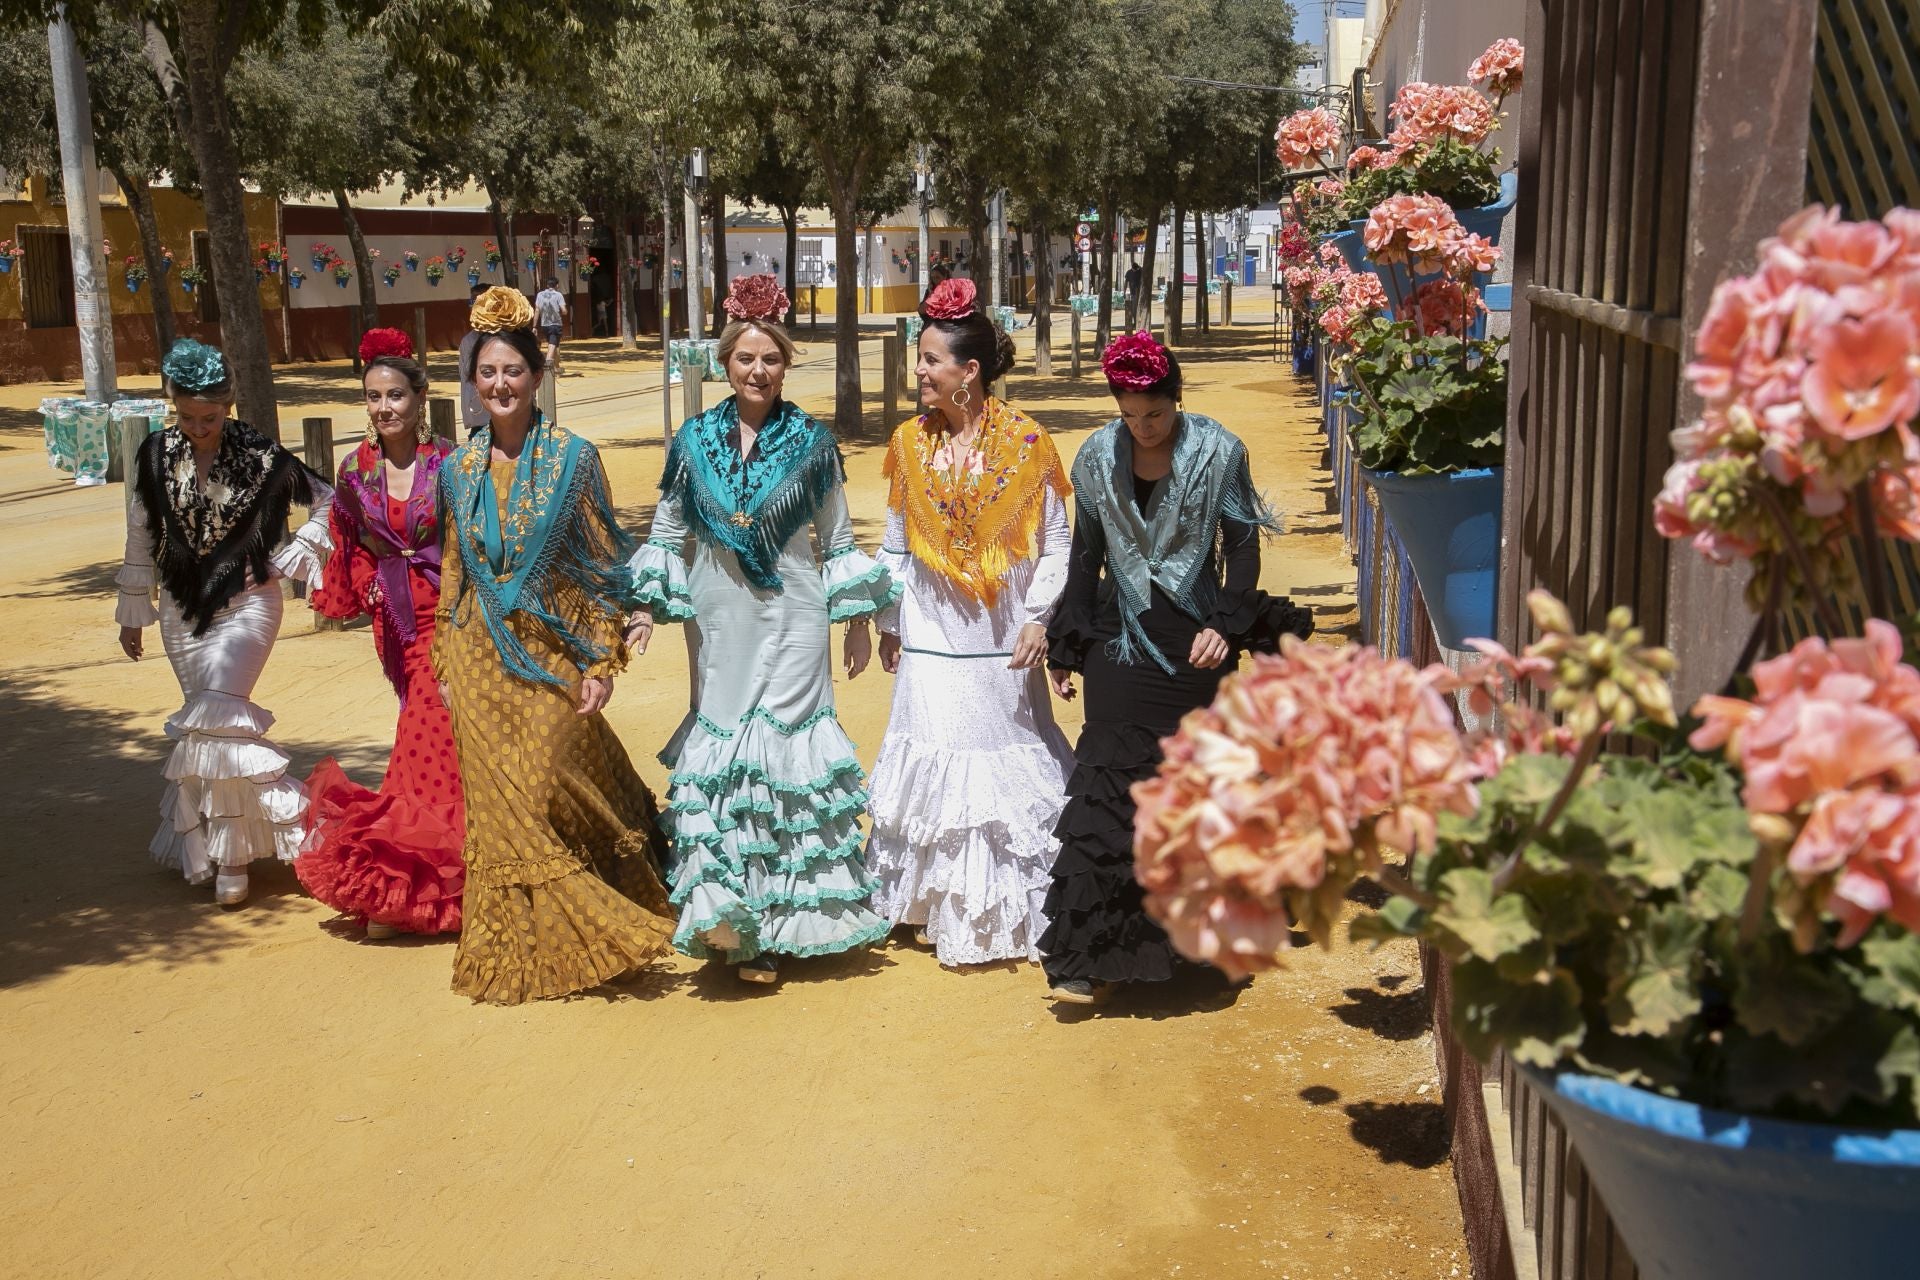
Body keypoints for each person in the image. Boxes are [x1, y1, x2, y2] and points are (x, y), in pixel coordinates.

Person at [628, 273, 897, 987]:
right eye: (745, 358)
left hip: (796, 610)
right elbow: (667, 528)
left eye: (770, 358)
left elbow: (837, 540)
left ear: (785, 362)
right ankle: (731, 921)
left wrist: (859, 624)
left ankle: (779, 927)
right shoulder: (692, 440)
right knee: (726, 747)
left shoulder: (812, 442)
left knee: (785, 749)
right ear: (725, 362)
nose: (757, 370)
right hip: (718, 614)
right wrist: (642, 611)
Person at [1040, 331, 1311, 1005]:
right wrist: (1068, 646)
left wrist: (1225, 625)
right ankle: (1087, 952)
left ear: (1175, 399)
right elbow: (1085, 558)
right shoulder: (1098, 455)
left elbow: (1242, 547)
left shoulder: (1219, 450)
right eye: (1130, 416)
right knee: (1108, 783)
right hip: (1120, 632)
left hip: (1194, 633)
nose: (1142, 428)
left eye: (1153, 414)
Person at [432, 286, 674, 1004]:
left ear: (537, 377)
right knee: (504, 814)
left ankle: (601, 924)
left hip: (551, 656)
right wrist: (444, 656)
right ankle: (523, 950)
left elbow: (602, 560)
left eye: (513, 371)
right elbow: (452, 567)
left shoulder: (574, 458)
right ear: (473, 384)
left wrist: (601, 658)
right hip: (477, 661)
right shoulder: (458, 470)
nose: (500, 385)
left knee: (545, 784)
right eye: (487, 373)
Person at [866, 277, 1075, 967]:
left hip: (1002, 639)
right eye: (919, 360)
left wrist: (1040, 617)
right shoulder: (908, 444)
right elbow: (896, 544)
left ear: (970, 371)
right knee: (933, 750)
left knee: (1005, 756)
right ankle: (928, 901)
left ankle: (1006, 907)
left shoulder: (1028, 444)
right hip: (932, 640)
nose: (919, 372)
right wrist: (888, 619)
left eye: (930, 360)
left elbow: (1056, 542)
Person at [115, 339, 334, 907]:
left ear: (229, 405)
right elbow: (141, 531)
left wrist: (304, 548)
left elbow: (330, 500)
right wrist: (133, 608)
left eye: (208, 417)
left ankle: (236, 857)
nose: (197, 427)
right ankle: (215, 846)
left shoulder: (261, 454)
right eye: (185, 416)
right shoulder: (154, 454)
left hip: (249, 602)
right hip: (180, 611)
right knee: (206, 734)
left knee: (222, 719)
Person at [295, 329, 465, 940]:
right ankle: (426, 877)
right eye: (373, 397)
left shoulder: (451, 462)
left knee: (425, 737)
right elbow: (348, 539)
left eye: (396, 395)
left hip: (452, 617)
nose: (384, 407)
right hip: (395, 620)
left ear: (420, 397)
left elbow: (476, 544)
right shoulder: (353, 469)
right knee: (439, 740)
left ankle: (405, 879)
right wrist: (365, 581)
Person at [458, 281, 489, 434]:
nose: (475, 306)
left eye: (480, 301)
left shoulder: (507, 338)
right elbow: (465, 380)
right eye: (472, 301)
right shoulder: (468, 341)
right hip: (479, 419)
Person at [533, 276, 569, 372]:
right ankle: (547, 366)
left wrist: (534, 326)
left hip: (544, 324)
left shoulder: (540, 295)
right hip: (555, 324)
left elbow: (537, 310)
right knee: (552, 345)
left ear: (547, 285)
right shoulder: (558, 295)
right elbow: (564, 311)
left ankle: (557, 367)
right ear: (557, 285)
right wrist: (563, 312)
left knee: (554, 344)